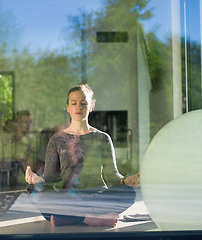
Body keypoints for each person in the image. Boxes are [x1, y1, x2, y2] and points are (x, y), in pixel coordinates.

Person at [25, 83, 140, 227]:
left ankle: (68, 217)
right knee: (33, 190)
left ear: (91, 106)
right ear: (67, 107)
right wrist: (38, 180)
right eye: (74, 103)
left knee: (128, 193)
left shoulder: (103, 138)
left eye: (83, 103)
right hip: (67, 198)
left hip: (96, 197)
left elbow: (112, 176)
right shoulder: (56, 140)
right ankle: (91, 219)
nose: (78, 107)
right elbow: (50, 178)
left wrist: (126, 181)